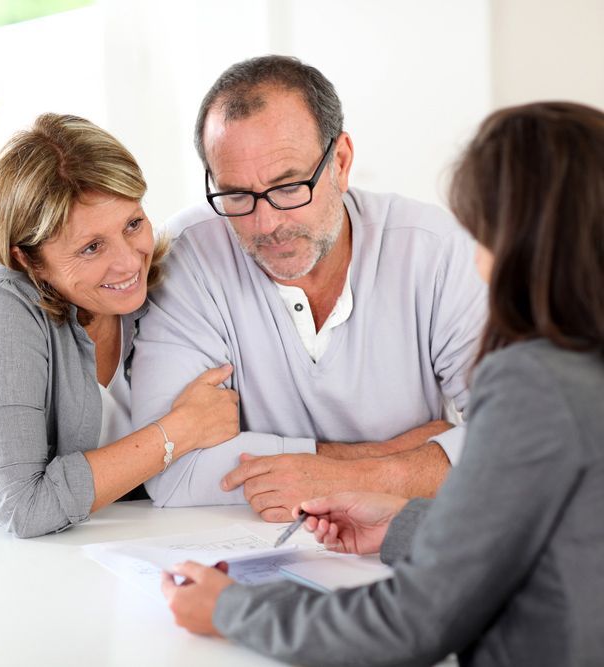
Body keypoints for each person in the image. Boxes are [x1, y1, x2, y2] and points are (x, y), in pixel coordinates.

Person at [161, 101, 604, 666]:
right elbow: (546, 530)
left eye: (484, 233)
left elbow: (410, 623)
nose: (478, 260)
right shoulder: (583, 363)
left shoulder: (535, 382)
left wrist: (231, 609)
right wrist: (405, 523)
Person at [131, 55, 486, 520]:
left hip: (397, 550)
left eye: (289, 185)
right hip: (244, 552)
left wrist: (348, 478)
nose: (267, 223)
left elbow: (514, 438)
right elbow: (172, 472)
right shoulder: (188, 256)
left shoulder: (434, 250)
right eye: (236, 194)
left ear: (340, 161)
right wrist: (398, 458)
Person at [0, 113, 239, 538]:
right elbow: (23, 507)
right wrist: (181, 430)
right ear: (27, 259)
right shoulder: (2, 309)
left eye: (133, 223)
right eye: (91, 247)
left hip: (82, 554)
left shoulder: (163, 289)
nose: (128, 262)